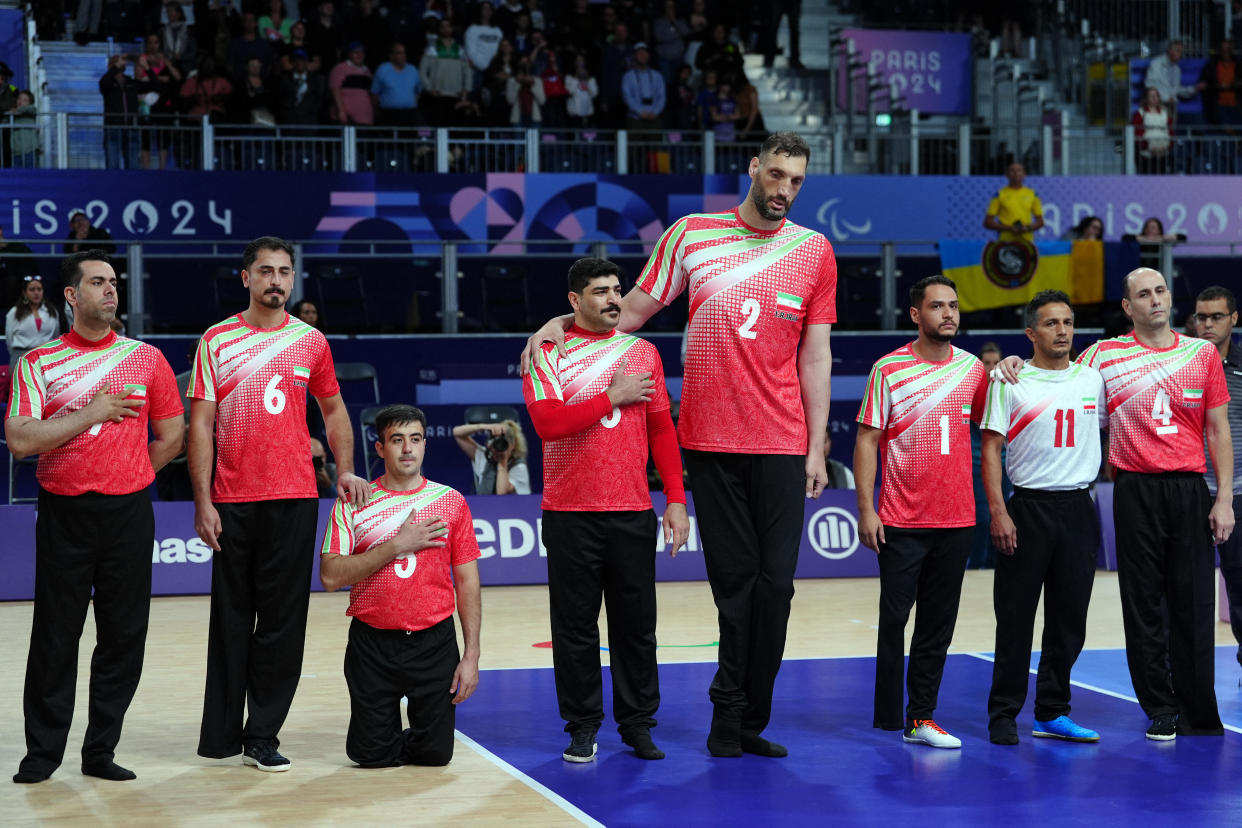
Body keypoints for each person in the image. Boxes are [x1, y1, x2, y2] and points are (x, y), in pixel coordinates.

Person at [522, 132, 836, 759]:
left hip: (781, 440)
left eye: (796, 181)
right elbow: (629, 311)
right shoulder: (691, 234)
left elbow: (816, 355)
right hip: (710, 441)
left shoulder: (815, 251)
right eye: (776, 175)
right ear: (753, 168)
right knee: (735, 584)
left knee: (777, 587)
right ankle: (730, 713)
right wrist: (556, 323)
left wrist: (817, 445)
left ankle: (753, 716)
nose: (784, 190)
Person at [997, 267, 1233, 740]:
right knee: (1142, 604)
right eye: (1143, 295)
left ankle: (1198, 708)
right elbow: (1054, 370)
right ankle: (1161, 707)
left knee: (1193, 602)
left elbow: (1218, 429)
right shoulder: (1103, 356)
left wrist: (1222, 497)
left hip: (1189, 488)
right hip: (1133, 489)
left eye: (1161, 291)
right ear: (1128, 307)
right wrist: (1010, 364)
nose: (1155, 300)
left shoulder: (1201, 353)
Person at [189, 236, 369, 771]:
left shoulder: (311, 341)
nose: (276, 281)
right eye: (265, 271)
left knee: (283, 624)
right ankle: (221, 735)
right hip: (233, 500)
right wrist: (203, 500)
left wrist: (345, 468)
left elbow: (334, 410)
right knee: (230, 619)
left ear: (293, 279)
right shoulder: (216, 340)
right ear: (246, 278)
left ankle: (262, 733)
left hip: (294, 498)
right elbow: (200, 423)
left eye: (284, 272)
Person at [7, 249, 184, 783]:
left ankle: (100, 751)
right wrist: (94, 412)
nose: (111, 290)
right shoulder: (38, 363)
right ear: (71, 295)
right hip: (65, 511)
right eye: (98, 282)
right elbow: (19, 438)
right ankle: (43, 754)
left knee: (124, 635)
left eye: (114, 282)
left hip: (129, 512)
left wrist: (130, 472)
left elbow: (172, 435)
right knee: (55, 636)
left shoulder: (147, 359)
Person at [523, 257, 690, 764]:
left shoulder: (642, 352)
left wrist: (677, 500)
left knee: (636, 626)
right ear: (574, 301)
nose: (614, 299)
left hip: (631, 512)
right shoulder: (546, 351)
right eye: (601, 292)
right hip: (570, 514)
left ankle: (637, 724)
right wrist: (611, 395)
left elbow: (662, 429)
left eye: (618, 290)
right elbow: (549, 424)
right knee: (575, 630)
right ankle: (582, 726)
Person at [853, 274, 987, 750]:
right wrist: (866, 508)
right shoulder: (889, 370)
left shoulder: (974, 369)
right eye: (937, 306)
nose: (948, 314)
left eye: (953, 305)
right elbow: (867, 439)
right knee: (894, 620)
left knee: (937, 625)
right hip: (901, 521)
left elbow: (993, 429)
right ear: (916, 314)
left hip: (957, 520)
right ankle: (889, 714)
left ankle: (921, 717)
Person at [319, 404, 482, 768]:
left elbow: (468, 580)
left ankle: (402, 735)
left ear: (425, 444)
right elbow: (330, 576)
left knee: (436, 756)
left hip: (434, 643)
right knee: (371, 757)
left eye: (415, 439)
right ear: (380, 448)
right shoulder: (354, 503)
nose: (407, 449)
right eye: (397, 440)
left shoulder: (450, 502)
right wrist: (396, 545)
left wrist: (471, 655)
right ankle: (380, 738)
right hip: (372, 645)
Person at [981, 290, 1107, 746]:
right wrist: (999, 510)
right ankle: (1003, 714)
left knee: (1069, 619)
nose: (1062, 331)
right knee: (1014, 618)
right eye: (1052, 324)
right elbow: (991, 450)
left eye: (1069, 323)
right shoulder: (1009, 382)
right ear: (1031, 333)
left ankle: (1052, 711)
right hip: (1028, 508)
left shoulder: (1093, 379)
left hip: (1078, 508)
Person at [1190, 286, 1242, 681]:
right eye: (1201, 317)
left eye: (1216, 317)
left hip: (1238, 493)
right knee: (1184, 590)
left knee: (1240, 587)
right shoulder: (1183, 362)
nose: (1207, 325)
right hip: (1190, 491)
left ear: (1233, 319)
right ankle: (1184, 675)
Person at [968, 342, 1008, 570]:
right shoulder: (971, 391)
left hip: (1002, 466)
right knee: (982, 518)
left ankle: (995, 566)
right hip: (975, 467)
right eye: (987, 363)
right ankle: (975, 566)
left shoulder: (1007, 389)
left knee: (1000, 518)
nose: (992, 368)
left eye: (996, 363)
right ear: (979, 365)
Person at [452, 418, 530, 494]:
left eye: (503, 443)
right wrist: (486, 426)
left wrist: (502, 463)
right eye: (496, 442)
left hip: (511, 506)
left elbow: (501, 494)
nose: (498, 447)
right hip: (484, 505)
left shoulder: (519, 467)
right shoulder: (484, 457)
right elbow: (457, 433)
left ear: (513, 444)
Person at [6, 276, 60, 368]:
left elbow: (56, 336)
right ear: (24, 293)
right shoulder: (14, 312)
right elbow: (9, 339)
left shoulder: (52, 311)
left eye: (39, 289)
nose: (36, 293)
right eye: (32, 289)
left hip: (46, 357)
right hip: (21, 357)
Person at [983, 162, 1044, 242]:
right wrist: (1009, 228)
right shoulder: (999, 195)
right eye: (1012, 171)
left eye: (1019, 170)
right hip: (1006, 240)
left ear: (1024, 174)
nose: (1016, 173)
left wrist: (1027, 228)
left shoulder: (1032, 194)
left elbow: (1040, 222)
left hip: (1026, 240)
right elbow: (988, 222)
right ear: (1007, 175)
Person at [99, 55, 141, 171]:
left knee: (133, 167)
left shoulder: (131, 83)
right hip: (113, 127)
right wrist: (115, 67)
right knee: (112, 166)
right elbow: (103, 83)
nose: (119, 63)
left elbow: (156, 86)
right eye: (115, 62)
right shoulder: (107, 83)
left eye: (121, 62)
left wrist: (146, 68)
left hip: (132, 127)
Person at [1144, 39, 1198, 126]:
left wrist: (1193, 89)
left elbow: (1176, 89)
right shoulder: (1156, 63)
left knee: (1170, 132)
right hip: (1158, 104)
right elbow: (1150, 84)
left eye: (1181, 51)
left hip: (1171, 105)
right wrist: (1166, 97)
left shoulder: (1176, 69)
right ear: (1170, 50)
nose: (1180, 54)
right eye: (1178, 50)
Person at [371, 42, 422, 126]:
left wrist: (409, 103)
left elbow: (418, 92)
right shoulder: (383, 69)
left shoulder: (412, 70)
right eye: (399, 53)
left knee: (419, 133)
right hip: (389, 114)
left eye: (404, 52)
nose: (403, 55)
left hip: (409, 114)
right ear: (391, 56)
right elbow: (374, 94)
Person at [1199, 39, 1242, 130]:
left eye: (1228, 50)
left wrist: (1235, 84)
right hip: (1217, 104)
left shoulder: (1238, 64)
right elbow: (1204, 83)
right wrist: (1217, 86)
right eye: (1223, 50)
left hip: (1237, 104)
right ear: (1220, 51)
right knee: (1227, 127)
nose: (1226, 52)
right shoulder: (1212, 64)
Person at [622, 42, 665, 133]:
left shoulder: (657, 76)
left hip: (654, 117)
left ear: (648, 55)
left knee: (656, 147)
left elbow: (662, 96)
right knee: (634, 146)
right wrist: (640, 112)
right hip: (635, 119)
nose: (642, 55)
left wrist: (655, 112)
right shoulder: (628, 76)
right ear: (634, 56)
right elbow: (627, 97)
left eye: (644, 53)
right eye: (639, 53)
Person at [329, 41, 374, 125]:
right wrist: (341, 111)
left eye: (361, 52)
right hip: (347, 120)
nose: (359, 55)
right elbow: (335, 89)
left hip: (366, 119)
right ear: (349, 54)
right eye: (355, 52)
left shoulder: (367, 71)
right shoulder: (340, 68)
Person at [1133, 87, 1172, 174]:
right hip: (1146, 155)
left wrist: (1166, 147)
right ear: (1146, 98)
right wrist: (1149, 147)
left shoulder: (1165, 113)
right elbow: (1137, 134)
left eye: (1156, 95)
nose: (1154, 98)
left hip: (1163, 153)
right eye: (1151, 96)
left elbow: (1170, 132)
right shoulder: (1140, 114)